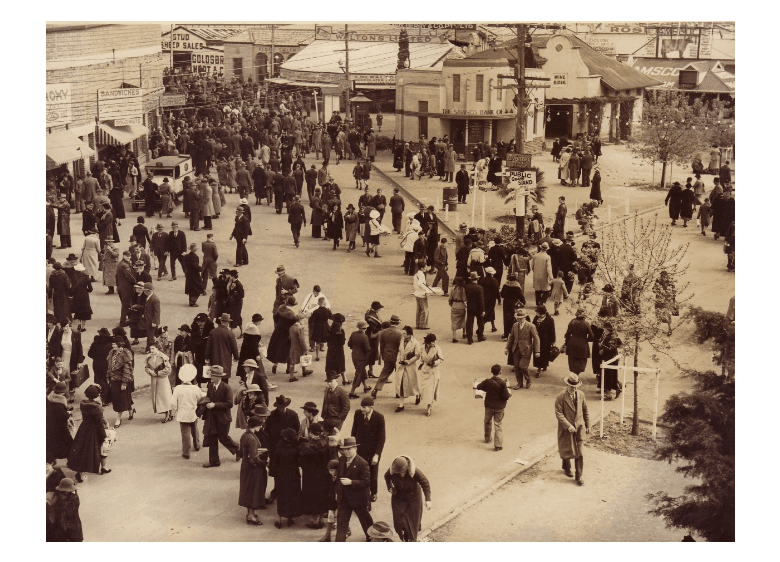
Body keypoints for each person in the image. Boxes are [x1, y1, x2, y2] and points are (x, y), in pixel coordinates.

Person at [383, 455, 432, 542]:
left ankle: (411, 539)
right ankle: (403, 536)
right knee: (399, 520)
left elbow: (425, 484)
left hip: (413, 498)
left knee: (412, 521)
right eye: (398, 472)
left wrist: (428, 499)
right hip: (399, 496)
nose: (400, 474)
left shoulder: (415, 472)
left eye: (402, 472)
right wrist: (389, 486)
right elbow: (386, 476)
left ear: (407, 468)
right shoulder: (392, 470)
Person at [335, 436, 374, 542]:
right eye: (345, 449)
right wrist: (337, 493)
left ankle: (371, 538)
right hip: (344, 499)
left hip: (358, 499)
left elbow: (366, 482)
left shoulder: (363, 463)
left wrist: (351, 482)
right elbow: (339, 476)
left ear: (355, 449)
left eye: (349, 449)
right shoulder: (342, 459)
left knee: (365, 521)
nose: (346, 451)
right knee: (341, 524)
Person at [555, 373, 590, 485]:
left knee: (580, 452)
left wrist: (588, 424)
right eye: (571, 386)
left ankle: (579, 476)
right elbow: (559, 413)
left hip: (579, 427)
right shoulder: (560, 397)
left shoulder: (581, 395)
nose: (574, 389)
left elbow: (585, 410)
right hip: (566, 428)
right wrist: (568, 425)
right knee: (567, 448)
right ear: (567, 385)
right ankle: (566, 467)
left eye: (575, 387)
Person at [67, 385, 107, 483]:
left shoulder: (83, 404)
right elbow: (99, 425)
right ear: (97, 395)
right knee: (95, 451)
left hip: (84, 428)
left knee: (81, 452)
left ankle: (79, 472)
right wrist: (103, 435)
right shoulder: (97, 408)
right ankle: (102, 467)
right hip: (93, 431)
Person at [201, 365, 240, 468]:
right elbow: (209, 397)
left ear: (218, 377)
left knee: (223, 438)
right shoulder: (210, 386)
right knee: (212, 438)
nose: (211, 378)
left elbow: (229, 404)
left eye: (212, 376)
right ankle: (214, 461)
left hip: (223, 418)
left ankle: (238, 450)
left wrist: (215, 405)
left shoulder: (226, 388)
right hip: (212, 418)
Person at [239, 415, 271, 525]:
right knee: (253, 491)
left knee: (248, 490)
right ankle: (251, 516)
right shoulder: (252, 439)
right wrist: (265, 462)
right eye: (260, 425)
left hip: (246, 467)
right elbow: (254, 458)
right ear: (256, 426)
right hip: (253, 469)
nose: (261, 427)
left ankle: (250, 514)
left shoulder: (245, 435)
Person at [269, 427, 303, 528]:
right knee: (292, 496)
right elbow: (300, 462)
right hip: (294, 475)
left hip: (281, 476)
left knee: (282, 497)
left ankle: (279, 520)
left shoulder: (279, 449)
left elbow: (274, 464)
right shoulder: (296, 449)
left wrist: (273, 473)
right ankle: (290, 518)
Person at [476, 365, 512, 451]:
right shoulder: (502, 383)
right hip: (499, 407)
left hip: (489, 406)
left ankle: (487, 438)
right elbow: (506, 396)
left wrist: (487, 390)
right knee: (498, 425)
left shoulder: (487, 381)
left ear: (492, 372)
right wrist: (509, 394)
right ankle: (498, 445)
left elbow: (478, 387)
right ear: (500, 372)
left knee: (487, 422)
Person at [172, 365, 204, 459]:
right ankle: (197, 444)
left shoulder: (177, 388)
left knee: (185, 433)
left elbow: (173, 402)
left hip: (182, 413)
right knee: (194, 429)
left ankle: (186, 452)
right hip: (193, 413)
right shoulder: (195, 388)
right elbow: (200, 398)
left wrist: (174, 410)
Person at [506, 311, 541, 390]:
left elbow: (536, 339)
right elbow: (511, 337)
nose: (520, 320)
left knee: (523, 366)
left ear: (525, 317)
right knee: (516, 367)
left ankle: (528, 379)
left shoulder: (531, 326)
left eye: (521, 318)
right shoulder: (515, 325)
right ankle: (519, 383)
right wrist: (507, 348)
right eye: (518, 318)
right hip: (516, 349)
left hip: (526, 350)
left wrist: (537, 351)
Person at [107, 336, 134, 427]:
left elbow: (127, 370)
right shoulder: (112, 353)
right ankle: (131, 411)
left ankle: (118, 419)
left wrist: (124, 383)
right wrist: (108, 377)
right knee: (123, 397)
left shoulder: (125, 354)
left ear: (119, 344)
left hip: (121, 380)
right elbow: (109, 367)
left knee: (120, 400)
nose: (112, 345)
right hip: (113, 380)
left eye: (114, 344)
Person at [46, 477, 83, 542]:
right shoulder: (72, 497)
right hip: (71, 525)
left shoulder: (73, 499)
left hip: (69, 526)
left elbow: (63, 515)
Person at [46, 381, 73, 465]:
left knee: (51, 445)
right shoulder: (60, 402)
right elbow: (63, 416)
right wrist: (68, 413)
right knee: (69, 444)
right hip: (60, 428)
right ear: (63, 392)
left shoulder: (50, 397)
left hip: (50, 426)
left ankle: (51, 461)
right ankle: (71, 461)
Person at [395, 326, 421, 412]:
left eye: (404, 333)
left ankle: (417, 395)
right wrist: (399, 361)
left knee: (413, 382)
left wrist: (408, 361)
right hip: (401, 365)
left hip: (410, 366)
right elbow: (400, 351)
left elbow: (417, 355)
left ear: (409, 334)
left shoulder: (416, 343)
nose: (402, 335)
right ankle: (401, 404)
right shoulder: (402, 340)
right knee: (401, 383)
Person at [146, 344, 174, 423]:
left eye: (153, 348)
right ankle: (166, 412)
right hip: (154, 380)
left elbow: (168, 369)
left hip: (162, 380)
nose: (151, 350)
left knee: (165, 396)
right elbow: (147, 367)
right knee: (157, 397)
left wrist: (158, 373)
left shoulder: (163, 357)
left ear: (157, 349)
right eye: (150, 348)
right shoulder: (149, 357)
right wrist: (150, 371)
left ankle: (168, 413)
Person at [418, 334, 443, 417]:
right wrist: (421, 364)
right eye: (431, 342)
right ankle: (423, 400)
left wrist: (434, 362)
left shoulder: (437, 348)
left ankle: (429, 407)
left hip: (433, 372)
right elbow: (421, 358)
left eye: (433, 342)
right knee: (424, 389)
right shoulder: (422, 348)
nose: (433, 344)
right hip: (424, 371)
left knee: (430, 390)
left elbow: (441, 359)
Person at [564, 308, 594, 375]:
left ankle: (573, 376)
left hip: (572, 343)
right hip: (582, 344)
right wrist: (586, 339)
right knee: (581, 361)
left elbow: (567, 334)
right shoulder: (586, 324)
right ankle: (576, 375)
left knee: (572, 360)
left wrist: (567, 342)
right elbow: (592, 336)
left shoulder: (572, 322)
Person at [532, 305, 556, 378]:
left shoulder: (550, 320)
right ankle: (539, 367)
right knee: (537, 353)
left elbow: (552, 331)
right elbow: (532, 326)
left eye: (538, 313)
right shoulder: (536, 318)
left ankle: (541, 368)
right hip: (537, 339)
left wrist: (553, 341)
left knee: (544, 354)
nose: (537, 314)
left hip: (546, 340)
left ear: (542, 313)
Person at [464, 272, 486, 344]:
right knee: (480, 322)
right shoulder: (480, 288)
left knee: (469, 322)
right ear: (477, 279)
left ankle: (469, 338)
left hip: (470, 306)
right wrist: (483, 310)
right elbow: (481, 300)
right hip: (478, 308)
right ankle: (480, 337)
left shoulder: (467, 287)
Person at [530, 242, 554, 306]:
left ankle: (538, 303)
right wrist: (551, 277)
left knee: (537, 289)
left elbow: (532, 266)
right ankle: (542, 301)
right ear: (546, 249)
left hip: (536, 275)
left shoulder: (535, 255)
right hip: (544, 275)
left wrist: (535, 271)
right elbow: (549, 268)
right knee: (547, 289)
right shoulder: (547, 257)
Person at [447, 277, 467, 343]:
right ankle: (464, 333)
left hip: (454, 306)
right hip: (461, 306)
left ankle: (454, 337)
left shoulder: (452, 289)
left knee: (454, 321)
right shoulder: (463, 289)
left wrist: (451, 305)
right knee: (463, 320)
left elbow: (450, 299)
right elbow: (465, 299)